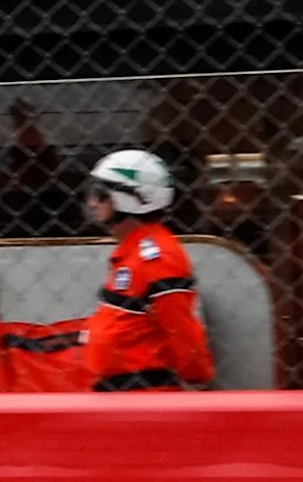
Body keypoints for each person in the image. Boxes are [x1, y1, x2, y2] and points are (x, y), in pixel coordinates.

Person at [79, 150, 214, 391]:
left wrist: (196, 373)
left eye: (100, 194)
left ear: (129, 197)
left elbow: (179, 326)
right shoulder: (135, 251)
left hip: (145, 392)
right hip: (125, 390)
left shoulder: (157, 256)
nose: (92, 202)